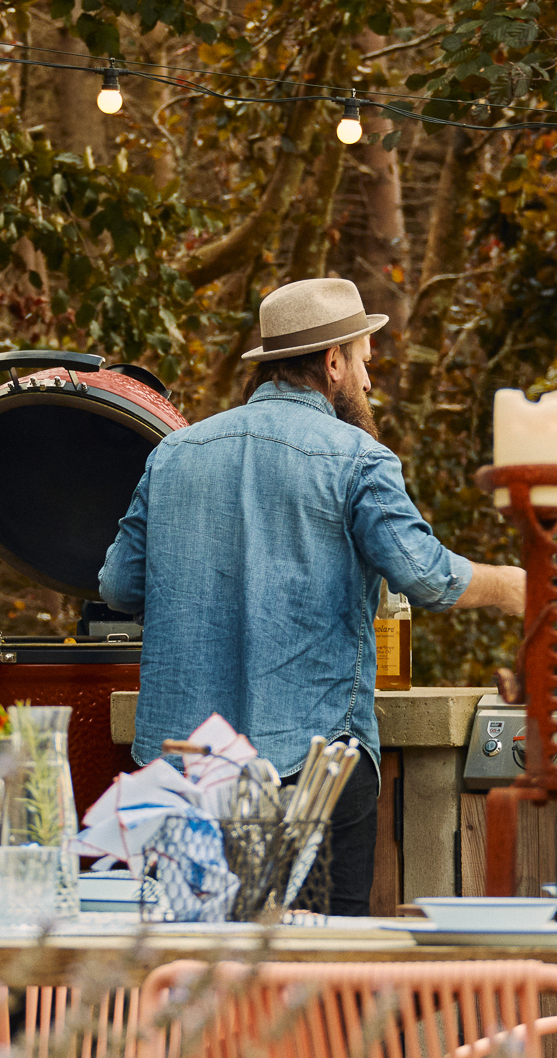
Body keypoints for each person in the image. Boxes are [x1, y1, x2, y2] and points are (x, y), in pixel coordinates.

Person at [98, 277, 527, 916]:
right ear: (332, 363)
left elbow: (117, 585)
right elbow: (426, 576)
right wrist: (513, 585)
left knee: (195, 954)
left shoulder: (173, 454)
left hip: (187, 774)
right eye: (364, 363)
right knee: (317, 958)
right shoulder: (358, 458)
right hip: (313, 770)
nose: (369, 382)